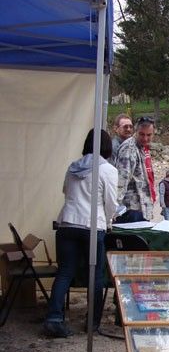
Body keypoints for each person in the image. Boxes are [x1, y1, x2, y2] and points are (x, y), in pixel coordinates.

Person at [43, 129, 118, 337]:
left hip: (67, 222)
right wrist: (109, 220)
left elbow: (65, 191)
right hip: (92, 225)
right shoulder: (108, 170)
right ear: (107, 147)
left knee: (65, 272)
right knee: (95, 276)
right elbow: (111, 203)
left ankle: (54, 318)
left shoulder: (73, 166)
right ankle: (92, 322)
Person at [115, 116, 156, 222]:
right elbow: (121, 181)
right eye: (142, 134)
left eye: (149, 135)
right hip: (130, 210)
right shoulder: (129, 149)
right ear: (136, 132)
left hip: (140, 208)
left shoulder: (141, 147)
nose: (145, 138)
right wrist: (113, 212)